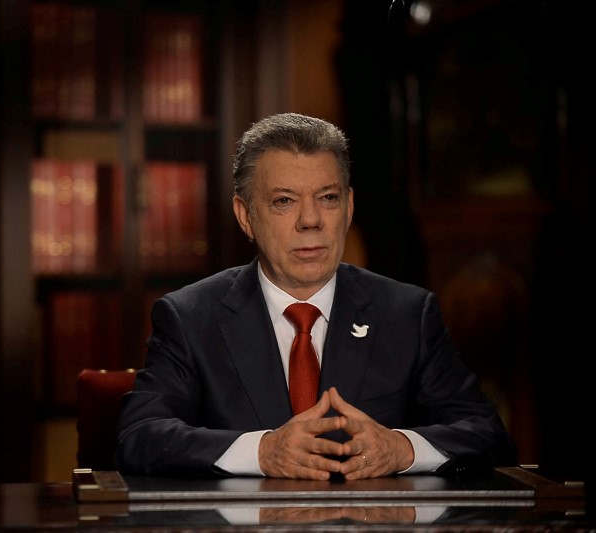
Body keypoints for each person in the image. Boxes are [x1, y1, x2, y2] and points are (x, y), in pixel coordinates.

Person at [115, 112, 517, 480]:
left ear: (349, 207)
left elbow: (487, 435)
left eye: (328, 198)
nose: (311, 221)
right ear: (245, 216)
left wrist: (401, 448)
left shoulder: (408, 313)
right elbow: (139, 435)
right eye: (284, 201)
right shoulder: (189, 317)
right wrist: (263, 452)